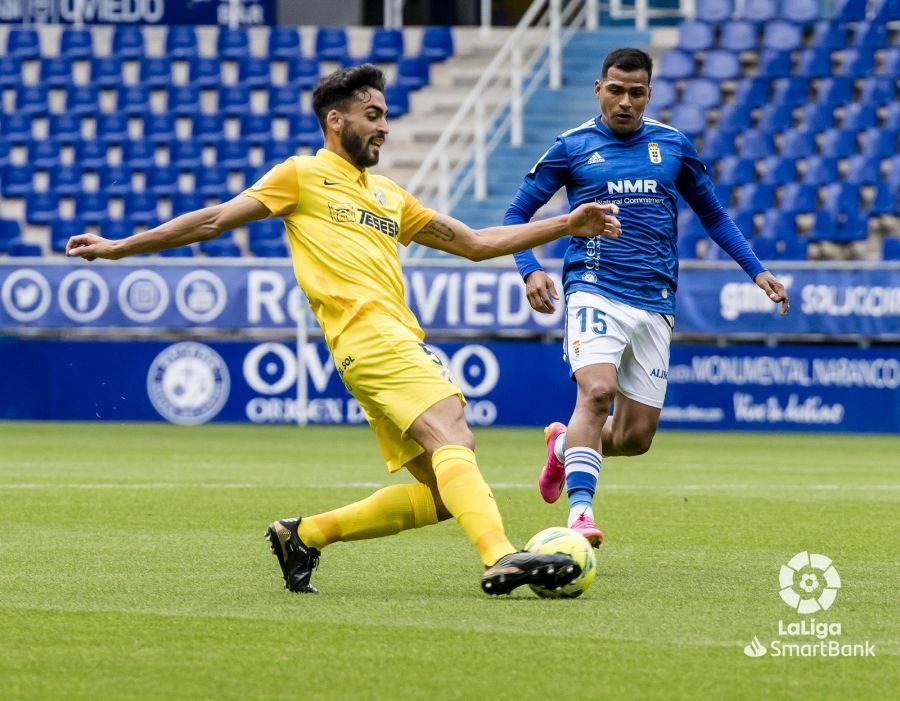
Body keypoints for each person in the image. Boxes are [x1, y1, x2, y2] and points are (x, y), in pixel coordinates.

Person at [66, 64, 623, 596]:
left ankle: (303, 535)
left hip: (379, 345)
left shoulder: (389, 197)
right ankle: (499, 555)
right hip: (370, 334)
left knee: (444, 490)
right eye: (373, 114)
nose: (384, 126)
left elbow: (475, 244)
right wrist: (120, 247)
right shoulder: (300, 176)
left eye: (385, 115)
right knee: (454, 436)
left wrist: (566, 223)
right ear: (336, 120)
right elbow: (212, 219)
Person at [503, 48, 790, 546]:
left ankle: (563, 447)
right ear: (599, 89)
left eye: (636, 93)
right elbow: (515, 215)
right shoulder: (571, 147)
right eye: (615, 90)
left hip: (654, 299)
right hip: (593, 287)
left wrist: (756, 270)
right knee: (596, 393)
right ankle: (580, 515)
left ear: (649, 94)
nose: (625, 102)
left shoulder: (673, 146)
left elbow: (714, 216)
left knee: (635, 439)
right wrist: (530, 270)